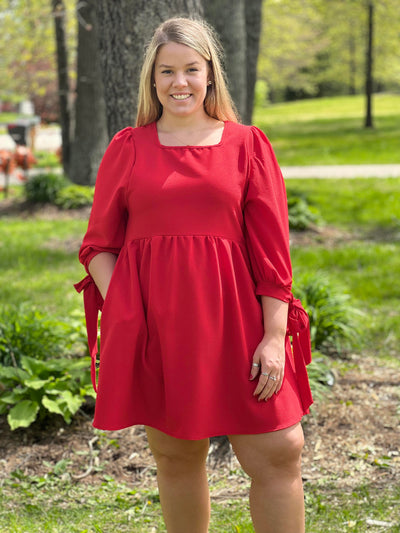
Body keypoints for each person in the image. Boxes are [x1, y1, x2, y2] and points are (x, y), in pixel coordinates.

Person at [75, 16, 313, 533]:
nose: (178, 82)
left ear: (210, 74)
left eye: (190, 69)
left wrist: (274, 336)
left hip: (239, 321)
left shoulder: (247, 144)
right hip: (161, 327)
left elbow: (273, 255)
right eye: (166, 72)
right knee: (177, 456)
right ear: (152, 79)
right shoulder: (128, 147)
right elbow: (98, 245)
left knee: (279, 450)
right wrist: (129, 311)